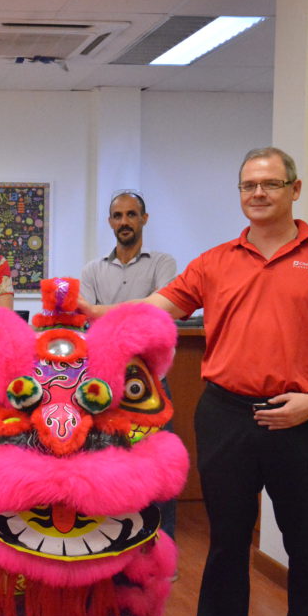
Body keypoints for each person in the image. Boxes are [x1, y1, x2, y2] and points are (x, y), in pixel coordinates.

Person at [82, 147, 308, 616]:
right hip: (225, 417)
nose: (258, 194)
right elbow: (153, 308)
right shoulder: (214, 261)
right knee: (226, 546)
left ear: (295, 189)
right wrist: (86, 311)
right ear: (239, 194)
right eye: (248, 186)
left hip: (303, 418)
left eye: (270, 184)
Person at [80, 190, 178, 539]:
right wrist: (134, 311)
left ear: (144, 219)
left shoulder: (162, 264)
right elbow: (87, 324)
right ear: (110, 222)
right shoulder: (93, 269)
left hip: (150, 382)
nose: (124, 221)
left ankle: (161, 548)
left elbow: (160, 309)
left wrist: (102, 312)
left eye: (132, 214)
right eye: (118, 215)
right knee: (107, 464)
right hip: (104, 383)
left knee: (159, 465)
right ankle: (113, 545)